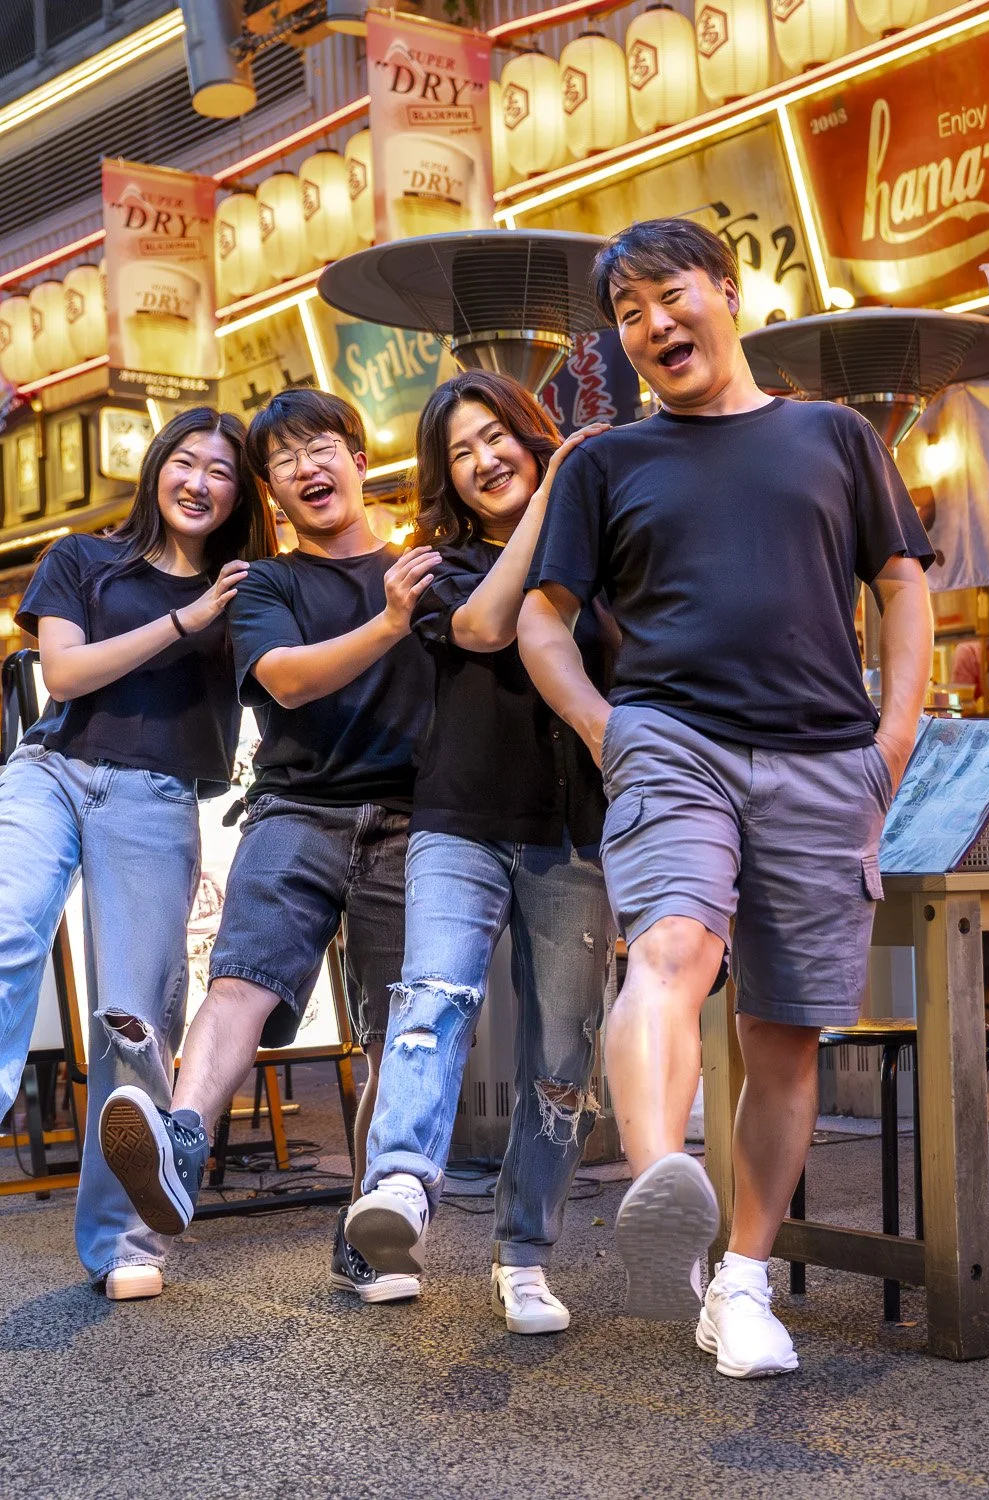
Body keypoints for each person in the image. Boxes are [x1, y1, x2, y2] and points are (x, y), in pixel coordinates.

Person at [517, 219, 934, 1378]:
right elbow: (539, 619)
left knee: (783, 1031)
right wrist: (605, 729)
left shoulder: (833, 435)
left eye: (668, 295)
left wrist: (891, 737)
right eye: (629, 311)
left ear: (727, 293)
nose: (653, 325)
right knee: (672, 947)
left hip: (821, 754)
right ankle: (665, 1194)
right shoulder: (604, 461)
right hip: (671, 741)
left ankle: (740, 1284)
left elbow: (899, 586)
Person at [0, 406, 273, 1300]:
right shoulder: (83, 559)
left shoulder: (249, 587)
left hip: (159, 797)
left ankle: (125, 1243)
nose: (200, 482)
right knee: (8, 924)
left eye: (221, 470)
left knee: (133, 1019)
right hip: (54, 771)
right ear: (156, 469)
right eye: (185, 461)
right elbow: (62, 674)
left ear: (239, 491)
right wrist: (187, 621)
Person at [98, 387, 442, 1303]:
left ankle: (369, 1230)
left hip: (413, 820)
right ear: (271, 492)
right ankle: (169, 1166)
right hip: (295, 809)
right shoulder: (269, 584)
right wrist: (390, 624)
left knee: (389, 1036)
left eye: (323, 447)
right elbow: (285, 683)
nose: (307, 469)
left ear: (361, 460)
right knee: (242, 982)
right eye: (284, 461)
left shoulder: (423, 568)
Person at [341, 371, 611, 1336]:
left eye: (497, 436)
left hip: (575, 836)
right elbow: (487, 627)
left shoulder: (602, 550)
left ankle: (525, 1253)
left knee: (561, 1053)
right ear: (447, 481)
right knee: (435, 997)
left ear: (532, 433)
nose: (486, 459)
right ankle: (402, 1187)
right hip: (456, 822)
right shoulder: (437, 568)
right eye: (462, 452)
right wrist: (548, 498)